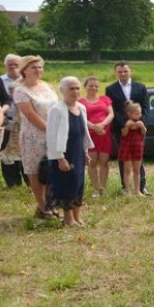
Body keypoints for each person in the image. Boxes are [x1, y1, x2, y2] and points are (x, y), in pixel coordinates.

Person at [13, 55, 59, 217]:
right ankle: (42, 207)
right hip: (33, 137)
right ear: (25, 70)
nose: (38, 70)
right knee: (35, 171)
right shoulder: (20, 91)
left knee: (50, 171)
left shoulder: (47, 86)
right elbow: (31, 115)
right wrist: (50, 131)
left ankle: (51, 203)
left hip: (52, 134)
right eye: (34, 67)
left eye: (40, 67)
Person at [46, 77, 94, 227]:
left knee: (79, 184)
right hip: (64, 154)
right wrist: (60, 158)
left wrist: (85, 151)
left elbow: (83, 132)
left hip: (78, 151)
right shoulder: (57, 109)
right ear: (62, 90)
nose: (75, 91)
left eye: (77, 88)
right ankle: (68, 218)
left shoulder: (81, 108)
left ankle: (77, 216)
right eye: (71, 88)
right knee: (67, 185)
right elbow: (52, 136)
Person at [106, 61, 150, 194]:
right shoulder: (110, 89)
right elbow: (113, 110)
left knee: (138, 159)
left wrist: (139, 122)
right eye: (120, 71)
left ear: (130, 71)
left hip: (139, 129)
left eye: (125, 71)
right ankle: (125, 188)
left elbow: (146, 107)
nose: (123, 73)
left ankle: (141, 187)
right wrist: (126, 123)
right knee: (123, 159)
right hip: (122, 130)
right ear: (116, 73)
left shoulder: (141, 87)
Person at [79, 76, 113, 197]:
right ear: (85, 87)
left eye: (96, 86)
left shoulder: (105, 99)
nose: (93, 88)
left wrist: (102, 125)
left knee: (104, 161)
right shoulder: (80, 102)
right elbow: (81, 118)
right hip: (90, 134)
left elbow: (111, 114)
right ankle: (95, 189)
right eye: (91, 85)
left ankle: (103, 188)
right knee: (92, 162)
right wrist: (94, 126)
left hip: (104, 134)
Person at [0, 54, 27, 187]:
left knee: (25, 149)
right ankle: (12, 182)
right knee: (6, 150)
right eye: (10, 64)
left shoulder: (28, 80)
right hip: (7, 120)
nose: (13, 66)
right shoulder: (0, 80)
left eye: (16, 64)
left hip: (26, 121)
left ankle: (29, 180)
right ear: (5, 65)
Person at [119, 102, 147, 196]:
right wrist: (127, 126)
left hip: (138, 147)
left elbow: (144, 132)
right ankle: (127, 190)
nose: (139, 115)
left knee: (137, 170)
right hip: (127, 147)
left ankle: (137, 190)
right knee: (127, 170)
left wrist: (142, 126)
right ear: (129, 114)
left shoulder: (141, 121)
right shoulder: (125, 122)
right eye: (136, 113)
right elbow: (123, 133)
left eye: (140, 113)